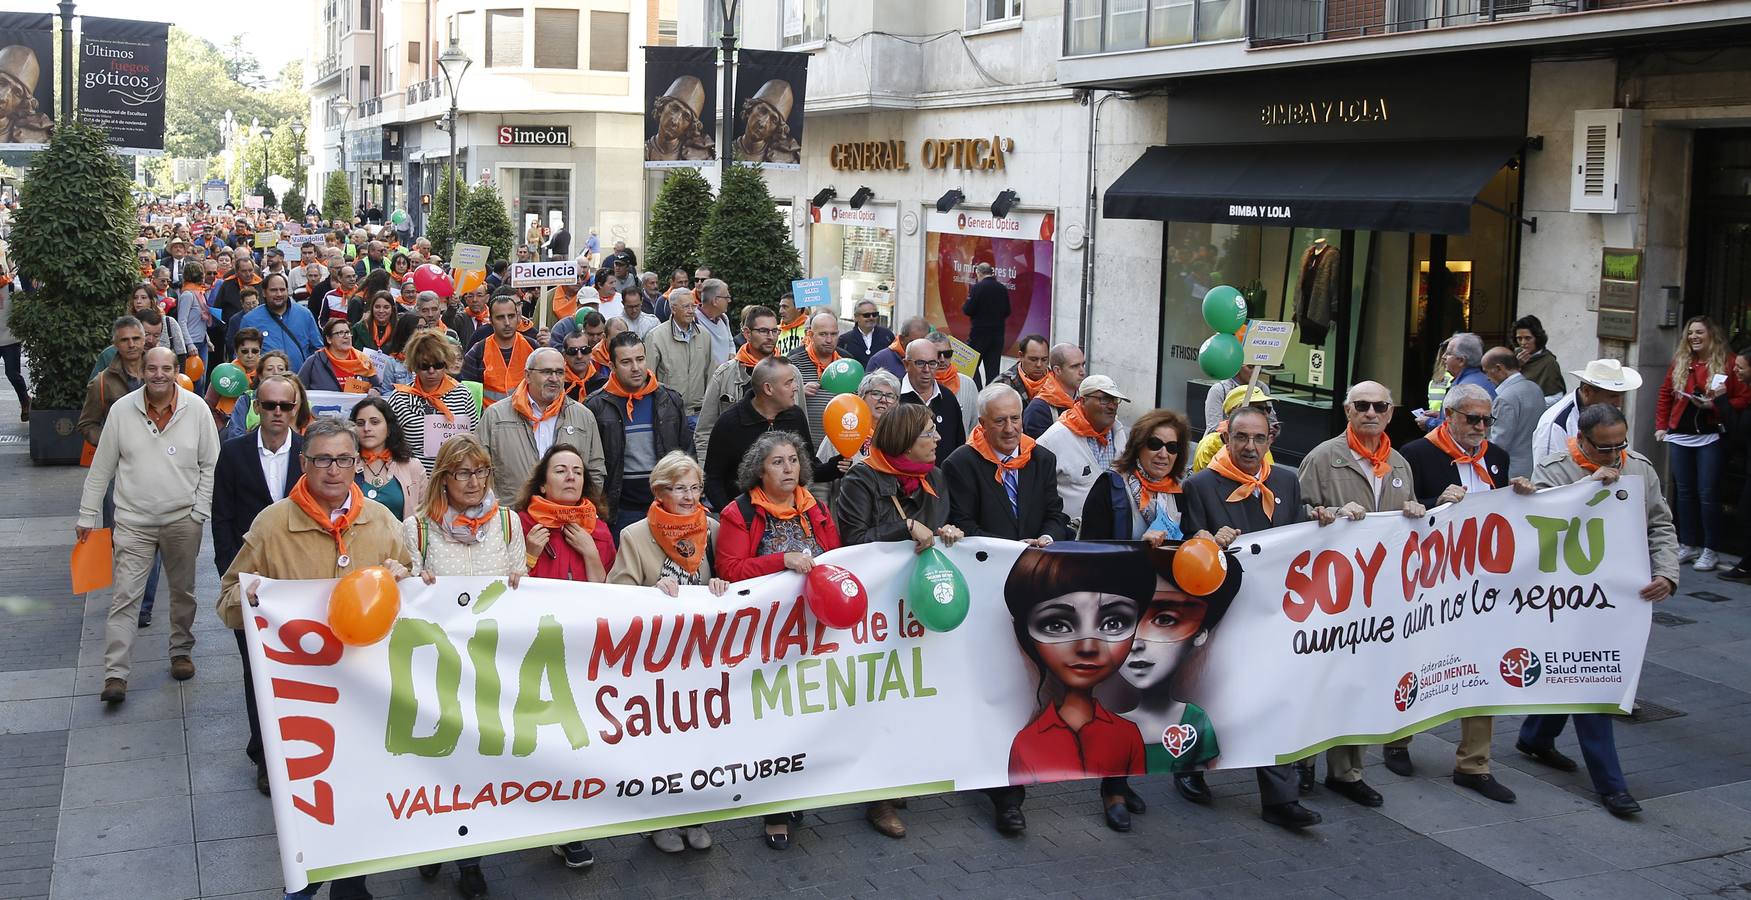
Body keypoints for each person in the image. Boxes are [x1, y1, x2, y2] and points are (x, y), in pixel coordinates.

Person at [222, 417, 411, 900]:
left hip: (365, 692)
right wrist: (258, 602)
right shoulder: (272, 524)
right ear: (303, 464)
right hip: (302, 702)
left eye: (344, 459)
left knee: (359, 793)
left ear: (357, 465)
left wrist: (404, 574)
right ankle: (303, 886)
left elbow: (413, 583)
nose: (333, 470)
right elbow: (227, 601)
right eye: (322, 459)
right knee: (310, 801)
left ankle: (353, 886)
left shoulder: (381, 523)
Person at [1519, 403, 1678, 818]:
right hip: (1566, 599)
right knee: (1594, 680)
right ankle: (1612, 785)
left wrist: (1667, 573)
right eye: (1604, 448)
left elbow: (1659, 523)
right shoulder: (1553, 469)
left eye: (1620, 445)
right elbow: (1542, 520)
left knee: (1577, 672)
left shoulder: (1640, 467)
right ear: (1583, 440)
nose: (1614, 455)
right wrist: (1593, 486)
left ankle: (1535, 736)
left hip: (1621, 597)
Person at [1294, 382, 1445, 805]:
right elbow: (1295, 514)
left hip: (1378, 598)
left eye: (1380, 406)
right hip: (1329, 594)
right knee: (1318, 679)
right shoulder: (1323, 458)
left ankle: (1347, 771)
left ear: (1391, 412)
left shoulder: (1399, 463)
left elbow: (1409, 523)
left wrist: (1420, 509)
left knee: (1357, 681)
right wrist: (1328, 515)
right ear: (1347, 410)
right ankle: (1303, 764)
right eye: (1362, 405)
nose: (1371, 413)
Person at [1179, 404, 1320, 829]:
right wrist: (1206, 540)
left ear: (1270, 440)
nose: (1250, 447)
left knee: (1271, 700)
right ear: (1226, 438)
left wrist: (1323, 523)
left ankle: (1280, 798)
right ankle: (1190, 768)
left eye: (1259, 438)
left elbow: (1299, 542)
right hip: (1223, 613)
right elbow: (1187, 548)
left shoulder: (1286, 482)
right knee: (1210, 696)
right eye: (1242, 437)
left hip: (1273, 612)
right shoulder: (1201, 486)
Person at [1389, 381, 1520, 801]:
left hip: (1482, 586)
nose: (1481, 427)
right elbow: (1399, 515)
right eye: (1473, 419)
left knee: (1484, 665)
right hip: (1429, 583)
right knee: (1416, 660)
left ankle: (1474, 764)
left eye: (1487, 419)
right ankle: (1397, 739)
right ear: (1450, 417)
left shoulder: (1496, 459)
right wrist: (1432, 501)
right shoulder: (1416, 454)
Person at [714, 430, 842, 851]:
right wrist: (781, 562)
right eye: (778, 463)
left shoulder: (816, 507)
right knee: (773, 719)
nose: (789, 469)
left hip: (809, 630)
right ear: (759, 470)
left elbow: (834, 556)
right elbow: (730, 569)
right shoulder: (741, 513)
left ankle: (795, 790)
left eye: (793, 461)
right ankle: (774, 807)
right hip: (764, 636)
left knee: (805, 714)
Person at [76, 347, 219, 705]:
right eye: (152, 368)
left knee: (183, 592)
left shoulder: (197, 408)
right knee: (124, 597)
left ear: (177, 371)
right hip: (133, 522)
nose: (159, 374)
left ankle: (180, 651)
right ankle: (115, 674)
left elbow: (210, 465)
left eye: (166, 368)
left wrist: (199, 511)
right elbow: (102, 468)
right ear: (141, 370)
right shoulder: (122, 411)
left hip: (182, 520)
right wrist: (86, 515)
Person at [1002, 543, 1150, 830]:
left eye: (1114, 622)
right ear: (1025, 631)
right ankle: (1007, 801)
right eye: (1056, 625)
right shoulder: (1023, 741)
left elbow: (1055, 516)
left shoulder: (1128, 734)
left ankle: (1116, 792)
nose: (1087, 647)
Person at [210, 375, 303, 793]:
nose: (278, 413)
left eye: (286, 406)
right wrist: (233, 576)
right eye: (270, 406)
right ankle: (265, 755)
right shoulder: (233, 454)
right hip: (253, 587)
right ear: (257, 408)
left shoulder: (311, 454)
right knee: (257, 672)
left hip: (302, 584)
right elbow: (222, 520)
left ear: (296, 408)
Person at [1656, 316, 1749, 573]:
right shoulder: (1681, 361)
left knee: (1708, 493)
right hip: (1680, 434)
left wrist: (1716, 405)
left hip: (1711, 435)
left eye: (1699, 333)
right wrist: (1662, 425)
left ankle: (1711, 548)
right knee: (1684, 492)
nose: (1694, 337)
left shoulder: (1729, 363)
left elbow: (1743, 397)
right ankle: (1687, 543)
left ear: (1712, 335)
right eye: (1690, 333)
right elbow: (1665, 393)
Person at [474, 346, 607, 508]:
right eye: (546, 372)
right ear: (528, 375)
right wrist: (495, 511)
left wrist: (582, 511)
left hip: (567, 522)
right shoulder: (496, 416)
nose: (554, 378)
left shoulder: (584, 417)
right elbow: (478, 468)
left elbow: (596, 470)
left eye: (559, 372)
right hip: (514, 518)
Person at [584, 331, 691, 530]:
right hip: (621, 508)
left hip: (666, 503)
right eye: (626, 362)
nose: (635, 368)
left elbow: (686, 451)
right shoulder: (596, 406)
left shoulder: (669, 400)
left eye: (640, 359)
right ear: (612, 366)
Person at [946, 383, 1071, 546]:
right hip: (987, 562)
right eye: (1000, 421)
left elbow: (1054, 515)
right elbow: (964, 526)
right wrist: (1015, 548)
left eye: (1015, 418)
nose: (1009, 429)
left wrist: (1045, 539)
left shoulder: (1042, 459)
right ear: (982, 424)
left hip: (1038, 560)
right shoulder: (960, 465)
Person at [608, 450, 729, 597]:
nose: (689, 497)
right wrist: (654, 592)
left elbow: (734, 584)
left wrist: (721, 584)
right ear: (658, 492)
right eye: (680, 488)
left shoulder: (713, 528)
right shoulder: (633, 536)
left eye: (695, 488)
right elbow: (619, 596)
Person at [704, 357, 816, 511]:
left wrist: (837, 465)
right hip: (745, 521)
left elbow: (809, 466)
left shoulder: (796, 416)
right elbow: (712, 477)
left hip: (790, 515)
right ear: (768, 389)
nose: (796, 387)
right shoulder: (729, 423)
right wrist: (730, 514)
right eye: (788, 383)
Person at [697, 305, 802, 456]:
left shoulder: (792, 373)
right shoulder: (725, 374)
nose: (771, 337)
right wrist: (706, 472)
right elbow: (705, 430)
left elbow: (801, 429)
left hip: (782, 467)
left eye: (775, 331)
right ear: (747, 333)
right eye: (763, 331)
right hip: (736, 468)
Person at [1080, 407, 1189, 544]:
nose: (1163, 454)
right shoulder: (1109, 487)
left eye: (1172, 447)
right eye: (1154, 444)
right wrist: (1138, 548)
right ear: (1138, 446)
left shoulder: (1178, 493)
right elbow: (1090, 551)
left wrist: (1198, 538)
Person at [1038, 374, 1130, 515]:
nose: (1112, 406)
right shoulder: (1055, 437)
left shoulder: (1118, 433)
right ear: (1083, 401)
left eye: (1115, 400)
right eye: (1104, 399)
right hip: (1070, 532)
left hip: (1112, 530)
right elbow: (1035, 487)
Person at [389, 331, 477, 471]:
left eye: (437, 365)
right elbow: (390, 444)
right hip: (415, 480)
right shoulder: (399, 398)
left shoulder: (463, 395)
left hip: (455, 477)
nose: (431, 371)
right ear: (414, 365)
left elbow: (473, 440)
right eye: (424, 366)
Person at [1533, 358, 1640, 466]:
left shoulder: (1611, 414)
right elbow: (1548, 476)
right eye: (1612, 396)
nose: (1619, 404)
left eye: (1622, 396)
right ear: (1587, 391)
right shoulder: (1556, 425)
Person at [350, 396, 428, 520]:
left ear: (389, 429)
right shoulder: (345, 465)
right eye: (360, 423)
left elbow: (426, 516)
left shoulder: (413, 466)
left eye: (374, 422)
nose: (366, 428)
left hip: (402, 539)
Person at [643, 288, 715, 422]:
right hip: (668, 412)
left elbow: (709, 373)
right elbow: (649, 376)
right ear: (673, 309)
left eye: (693, 306)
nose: (691, 310)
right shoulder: (655, 337)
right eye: (686, 306)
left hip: (697, 412)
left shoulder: (704, 335)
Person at [462, 295, 539, 406]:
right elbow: (469, 394)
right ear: (491, 320)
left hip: (528, 418)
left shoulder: (533, 347)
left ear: (518, 317)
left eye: (511, 316)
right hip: (491, 419)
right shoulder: (478, 351)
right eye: (500, 317)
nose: (507, 322)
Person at [898, 337, 966, 462]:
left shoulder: (948, 398)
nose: (927, 370)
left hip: (944, 479)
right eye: (920, 363)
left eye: (932, 364)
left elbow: (959, 445)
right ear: (906, 364)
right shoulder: (895, 397)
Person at [1483, 346, 1545, 479]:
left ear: (1499, 368)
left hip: (1511, 472)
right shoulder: (1535, 388)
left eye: (1486, 372)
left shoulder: (1505, 398)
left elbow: (1498, 444)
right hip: (1534, 466)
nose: (1487, 378)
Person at [239, 272, 322, 371]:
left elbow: (318, 349)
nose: (279, 294)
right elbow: (241, 355)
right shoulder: (250, 320)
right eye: (273, 290)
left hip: (300, 381)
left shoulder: (304, 314)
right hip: (265, 382)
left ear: (287, 291)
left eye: (282, 290)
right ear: (264, 293)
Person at [1417, 332, 1494, 431]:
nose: (1443, 357)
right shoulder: (1481, 380)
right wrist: (1440, 415)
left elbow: (1460, 427)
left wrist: (1429, 423)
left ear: (1461, 361)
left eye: (1448, 353)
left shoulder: (1467, 389)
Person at [299, 317, 388, 394]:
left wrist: (375, 390)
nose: (346, 336)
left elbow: (379, 387)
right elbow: (298, 389)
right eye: (340, 333)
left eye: (348, 332)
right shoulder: (314, 362)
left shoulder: (364, 360)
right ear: (329, 339)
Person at [788, 311, 842, 437]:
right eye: (823, 334)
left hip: (838, 444)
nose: (829, 340)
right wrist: (799, 392)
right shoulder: (793, 363)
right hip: (802, 444)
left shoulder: (846, 364)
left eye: (833, 334)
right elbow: (777, 401)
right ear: (810, 335)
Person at [1022, 343, 1086, 438]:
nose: (1082, 372)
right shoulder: (1038, 410)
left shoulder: (1086, 399)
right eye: (1074, 366)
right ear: (1057, 370)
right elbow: (1041, 450)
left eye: (1083, 365)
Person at [963, 261, 1011, 385]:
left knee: (971, 365)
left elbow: (968, 309)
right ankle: (990, 397)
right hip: (997, 335)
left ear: (978, 273)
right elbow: (1007, 311)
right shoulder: (1002, 288)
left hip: (979, 334)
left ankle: (976, 391)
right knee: (993, 370)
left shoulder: (978, 287)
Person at [929, 330, 980, 437]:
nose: (942, 359)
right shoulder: (919, 383)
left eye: (947, 354)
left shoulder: (968, 384)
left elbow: (975, 426)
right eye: (938, 354)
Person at [1513, 314, 1567, 401]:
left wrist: (1530, 404)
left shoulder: (1549, 362)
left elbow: (1556, 397)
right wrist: (1516, 367)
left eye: (1528, 338)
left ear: (1537, 338)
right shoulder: (1513, 356)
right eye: (1519, 338)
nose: (1523, 343)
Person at [353, 291, 415, 357]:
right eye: (377, 307)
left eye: (386, 307)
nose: (381, 311)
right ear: (372, 308)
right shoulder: (359, 328)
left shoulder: (400, 330)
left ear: (392, 309)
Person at [868, 316, 930, 381]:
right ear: (902, 339)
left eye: (923, 343)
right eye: (913, 343)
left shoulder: (933, 359)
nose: (919, 348)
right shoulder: (879, 360)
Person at [993, 334, 1051, 405]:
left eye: (1044, 360)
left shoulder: (1058, 381)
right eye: (1033, 359)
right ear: (1021, 356)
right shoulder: (1003, 384)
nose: (1039, 365)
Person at [837, 299, 895, 367]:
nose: (871, 318)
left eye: (874, 314)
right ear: (856, 317)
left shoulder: (887, 336)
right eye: (866, 315)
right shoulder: (845, 340)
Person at [1202, 365, 1257, 433]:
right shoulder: (1219, 390)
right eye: (1250, 367)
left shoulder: (1262, 387)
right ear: (1238, 367)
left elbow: (1271, 421)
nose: (1256, 371)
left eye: (1258, 368)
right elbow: (1214, 428)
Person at [0, 272, 22, 422]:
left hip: (10, 340)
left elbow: (23, 313)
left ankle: (25, 402)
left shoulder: (13, 290)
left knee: (13, 374)